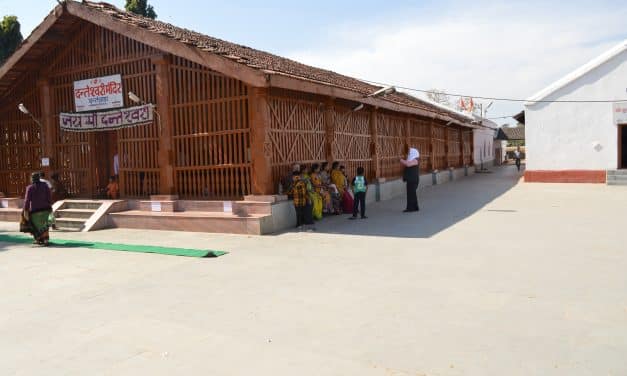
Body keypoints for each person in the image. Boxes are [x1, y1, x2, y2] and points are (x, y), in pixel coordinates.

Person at [22, 172, 53, 246]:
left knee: (36, 225)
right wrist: (49, 205)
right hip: (45, 208)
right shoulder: (45, 185)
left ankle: (38, 239)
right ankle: (45, 240)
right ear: (39, 178)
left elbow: (27, 200)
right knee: (45, 224)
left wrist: (25, 210)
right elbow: (49, 196)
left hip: (35, 210)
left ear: (32, 179)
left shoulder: (30, 187)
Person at [400, 145, 420, 212]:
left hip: (413, 180)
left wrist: (401, 160)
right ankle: (415, 207)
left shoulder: (415, 160)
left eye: (410, 153)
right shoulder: (413, 159)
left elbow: (408, 164)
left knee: (410, 194)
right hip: (411, 179)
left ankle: (410, 208)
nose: (409, 154)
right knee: (412, 193)